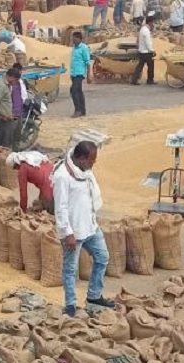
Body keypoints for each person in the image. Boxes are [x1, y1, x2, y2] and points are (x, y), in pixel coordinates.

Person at [53, 141, 115, 317]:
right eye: (91, 160)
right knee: (70, 269)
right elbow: (61, 208)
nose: (93, 164)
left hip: (90, 226)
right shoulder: (63, 177)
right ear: (80, 158)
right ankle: (71, 305)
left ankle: (94, 296)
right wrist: (68, 233)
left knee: (103, 257)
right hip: (73, 231)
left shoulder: (85, 171)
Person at [68, 31, 93, 119]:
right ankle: (82, 110)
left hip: (80, 73)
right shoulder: (74, 48)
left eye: (74, 38)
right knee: (78, 91)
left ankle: (78, 110)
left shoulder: (84, 48)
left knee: (74, 91)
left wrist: (89, 74)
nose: (73, 40)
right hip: (74, 73)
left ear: (79, 39)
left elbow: (88, 62)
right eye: (72, 38)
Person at [131, 14, 155, 84]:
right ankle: (150, 80)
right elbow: (148, 42)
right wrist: (152, 50)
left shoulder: (142, 29)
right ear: (150, 23)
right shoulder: (146, 31)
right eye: (153, 23)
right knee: (150, 66)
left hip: (141, 51)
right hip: (147, 52)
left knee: (140, 66)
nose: (153, 24)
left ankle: (134, 80)